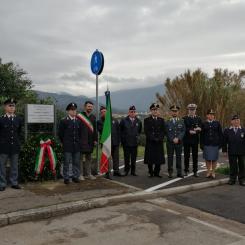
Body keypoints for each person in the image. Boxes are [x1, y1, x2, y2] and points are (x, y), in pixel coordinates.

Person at [0, 99, 22, 191]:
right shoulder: (1, 119)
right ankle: (2, 183)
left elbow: (19, 132)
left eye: (13, 106)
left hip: (14, 146)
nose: (12, 107)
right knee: (2, 166)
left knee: (14, 165)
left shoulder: (18, 119)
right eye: (10, 105)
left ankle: (14, 182)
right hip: (3, 147)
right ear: (5, 107)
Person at [58, 103, 82, 184]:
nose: (74, 111)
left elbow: (80, 133)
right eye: (72, 110)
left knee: (76, 162)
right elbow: (60, 134)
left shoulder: (78, 121)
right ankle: (66, 177)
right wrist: (64, 142)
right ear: (68, 111)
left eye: (75, 109)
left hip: (76, 145)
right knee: (67, 162)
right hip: (67, 145)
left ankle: (76, 176)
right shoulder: (64, 121)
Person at [97, 106, 123, 179]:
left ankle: (116, 171)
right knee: (107, 159)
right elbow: (101, 130)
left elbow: (118, 131)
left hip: (115, 142)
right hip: (106, 143)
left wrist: (119, 141)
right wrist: (106, 123)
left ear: (107, 112)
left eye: (104, 111)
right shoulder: (99, 122)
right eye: (102, 112)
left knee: (116, 158)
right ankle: (107, 173)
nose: (103, 113)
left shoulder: (114, 120)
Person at [144, 103, 166, 178]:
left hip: (159, 142)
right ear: (151, 111)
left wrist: (159, 138)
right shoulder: (146, 120)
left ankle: (157, 172)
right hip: (151, 142)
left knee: (158, 158)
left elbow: (163, 131)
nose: (155, 111)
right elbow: (147, 131)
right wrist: (153, 138)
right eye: (153, 110)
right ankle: (151, 172)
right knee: (150, 158)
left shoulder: (161, 120)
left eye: (156, 110)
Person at [222, 115, 245, 186]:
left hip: (242, 151)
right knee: (233, 166)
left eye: (238, 120)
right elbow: (224, 141)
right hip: (232, 151)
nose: (236, 121)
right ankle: (232, 179)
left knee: (242, 166)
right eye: (234, 120)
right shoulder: (227, 130)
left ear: (239, 121)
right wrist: (224, 151)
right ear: (231, 121)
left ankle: (242, 180)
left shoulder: (243, 130)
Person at [120, 105, 142, 176]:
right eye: (131, 111)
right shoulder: (124, 120)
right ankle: (126, 171)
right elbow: (120, 131)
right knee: (126, 158)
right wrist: (123, 140)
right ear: (128, 112)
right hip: (126, 143)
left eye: (134, 112)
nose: (133, 113)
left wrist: (137, 138)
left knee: (133, 158)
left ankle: (133, 171)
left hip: (134, 143)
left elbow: (139, 131)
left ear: (135, 112)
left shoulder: (138, 121)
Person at [77, 101, 97, 180]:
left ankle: (89, 174)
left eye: (91, 107)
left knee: (89, 158)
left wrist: (95, 139)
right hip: (81, 141)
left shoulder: (93, 117)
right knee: (80, 159)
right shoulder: (79, 116)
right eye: (89, 106)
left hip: (90, 141)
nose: (90, 108)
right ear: (85, 107)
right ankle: (80, 175)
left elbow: (94, 130)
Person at [200, 109, 223, 179]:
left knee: (214, 159)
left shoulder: (217, 123)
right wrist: (201, 144)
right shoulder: (203, 124)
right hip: (206, 144)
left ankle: (213, 172)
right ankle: (208, 172)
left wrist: (220, 144)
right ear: (207, 115)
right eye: (210, 114)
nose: (211, 116)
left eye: (212, 115)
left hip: (215, 144)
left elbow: (220, 134)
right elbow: (201, 135)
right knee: (207, 159)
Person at [165, 105, 186, 178]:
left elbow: (183, 131)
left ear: (178, 112)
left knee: (179, 157)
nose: (174, 112)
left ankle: (179, 172)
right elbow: (167, 132)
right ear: (171, 112)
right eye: (173, 111)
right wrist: (172, 139)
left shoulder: (182, 121)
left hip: (179, 143)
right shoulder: (167, 122)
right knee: (170, 157)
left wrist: (178, 138)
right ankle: (170, 172)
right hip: (170, 143)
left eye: (176, 111)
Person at [183, 104, 202, 177]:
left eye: (193, 110)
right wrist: (190, 130)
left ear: (195, 110)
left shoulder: (198, 118)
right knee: (186, 156)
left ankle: (195, 171)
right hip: (187, 140)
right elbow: (183, 128)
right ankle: (186, 170)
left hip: (195, 140)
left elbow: (200, 128)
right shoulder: (184, 118)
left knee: (195, 156)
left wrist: (195, 131)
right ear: (188, 110)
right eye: (190, 110)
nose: (192, 111)